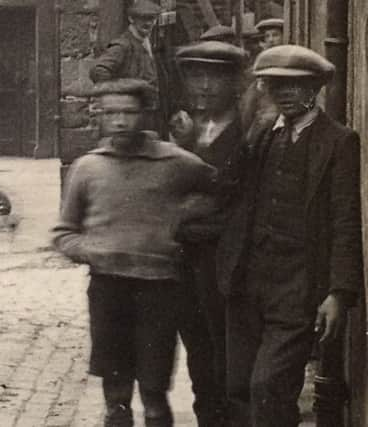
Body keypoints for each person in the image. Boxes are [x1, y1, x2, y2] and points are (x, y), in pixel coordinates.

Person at [53, 78, 218, 427]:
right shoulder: (88, 168)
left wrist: (184, 222)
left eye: (129, 112)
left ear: (145, 114)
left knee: (155, 395)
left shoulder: (176, 162)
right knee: (116, 397)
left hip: (159, 291)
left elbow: (221, 192)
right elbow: (64, 232)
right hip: (108, 290)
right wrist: (91, 250)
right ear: (98, 117)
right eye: (111, 113)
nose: (119, 122)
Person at [218, 45, 363, 427]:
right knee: (238, 387)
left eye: (294, 86)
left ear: (315, 87)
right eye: (275, 85)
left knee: (269, 385)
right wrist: (249, 130)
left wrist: (338, 293)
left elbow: (345, 220)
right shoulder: (262, 135)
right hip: (249, 283)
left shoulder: (338, 141)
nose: (284, 93)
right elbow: (226, 186)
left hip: (297, 288)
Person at [169, 40, 248, 426]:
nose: (203, 86)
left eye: (214, 77)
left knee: (229, 354)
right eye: (195, 76)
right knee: (197, 350)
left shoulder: (251, 133)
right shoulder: (179, 129)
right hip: (185, 261)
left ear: (234, 82)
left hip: (228, 261)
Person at [89, 0, 168, 135]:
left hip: (149, 115)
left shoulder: (148, 43)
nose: (148, 23)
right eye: (143, 18)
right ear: (131, 19)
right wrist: (124, 91)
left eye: (152, 19)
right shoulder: (123, 46)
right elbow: (98, 71)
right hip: (129, 117)